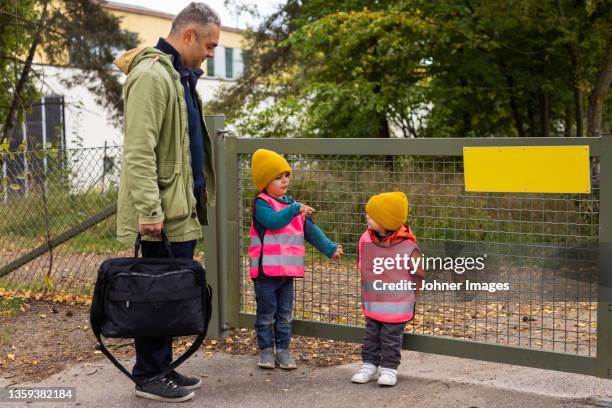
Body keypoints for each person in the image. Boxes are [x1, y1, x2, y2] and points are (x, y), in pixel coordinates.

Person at [114, 2, 219, 402]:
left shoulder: (179, 76)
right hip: (162, 211)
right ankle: (149, 375)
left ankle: (163, 369)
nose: (212, 53)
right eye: (209, 44)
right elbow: (138, 151)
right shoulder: (152, 76)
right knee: (156, 295)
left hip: (180, 206)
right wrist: (150, 211)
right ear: (188, 34)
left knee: (169, 293)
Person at [248, 148, 343, 369]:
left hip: (286, 272)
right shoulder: (261, 203)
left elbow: (310, 231)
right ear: (264, 181)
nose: (284, 181)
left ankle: (283, 350)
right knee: (266, 314)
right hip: (265, 272)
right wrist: (294, 209)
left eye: (286, 176)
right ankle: (266, 351)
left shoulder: (292, 206)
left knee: (284, 315)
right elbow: (273, 221)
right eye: (277, 177)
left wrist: (329, 249)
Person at [351, 192, 425, 386]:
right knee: (371, 335)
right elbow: (362, 265)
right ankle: (369, 365)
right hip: (374, 300)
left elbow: (417, 273)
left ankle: (389, 369)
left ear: (385, 221)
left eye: (372, 215)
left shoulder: (408, 245)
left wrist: (414, 294)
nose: (367, 216)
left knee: (391, 337)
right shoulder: (365, 239)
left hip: (397, 303)